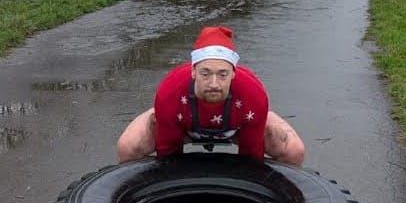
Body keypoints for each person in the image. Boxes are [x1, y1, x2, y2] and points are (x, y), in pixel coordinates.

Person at [116, 26, 306, 166]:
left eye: (222, 74)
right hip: (184, 124)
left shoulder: (253, 94)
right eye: (205, 74)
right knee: (128, 146)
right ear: (193, 72)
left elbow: (251, 155)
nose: (214, 83)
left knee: (292, 150)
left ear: (233, 73)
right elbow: (168, 154)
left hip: (237, 125)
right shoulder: (170, 92)